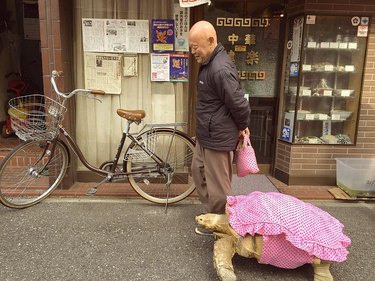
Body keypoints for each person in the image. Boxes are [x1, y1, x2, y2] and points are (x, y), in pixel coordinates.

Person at [189, 20, 251, 235]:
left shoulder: (220, 68)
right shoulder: (209, 63)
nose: (192, 51)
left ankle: (222, 227)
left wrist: (243, 126)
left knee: (219, 187)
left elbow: (238, 102)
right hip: (207, 134)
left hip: (218, 136)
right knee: (198, 172)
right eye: (191, 47)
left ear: (211, 41)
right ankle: (213, 216)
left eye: (195, 47)